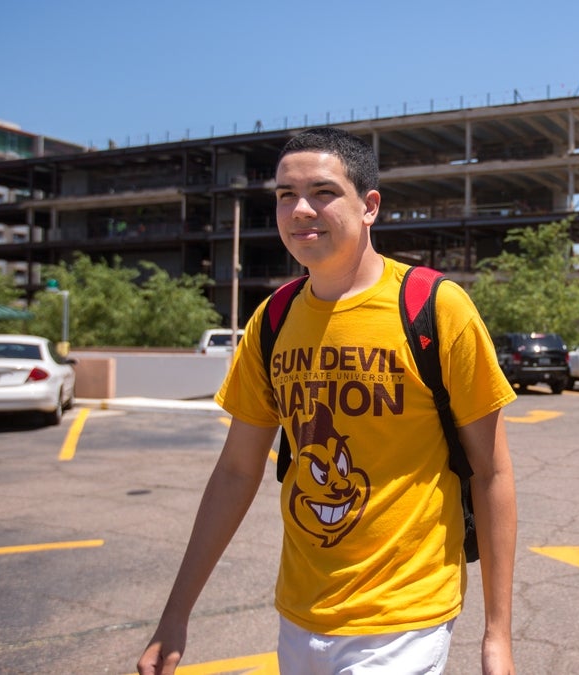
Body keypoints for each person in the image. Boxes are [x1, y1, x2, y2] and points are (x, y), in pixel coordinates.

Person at [137, 127, 518, 675]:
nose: (300, 210)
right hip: (301, 614)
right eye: (285, 195)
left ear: (369, 207)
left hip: (403, 617)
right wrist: (175, 616)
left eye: (322, 192)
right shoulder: (272, 320)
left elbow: (492, 473)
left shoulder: (436, 308)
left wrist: (497, 634)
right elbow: (236, 473)